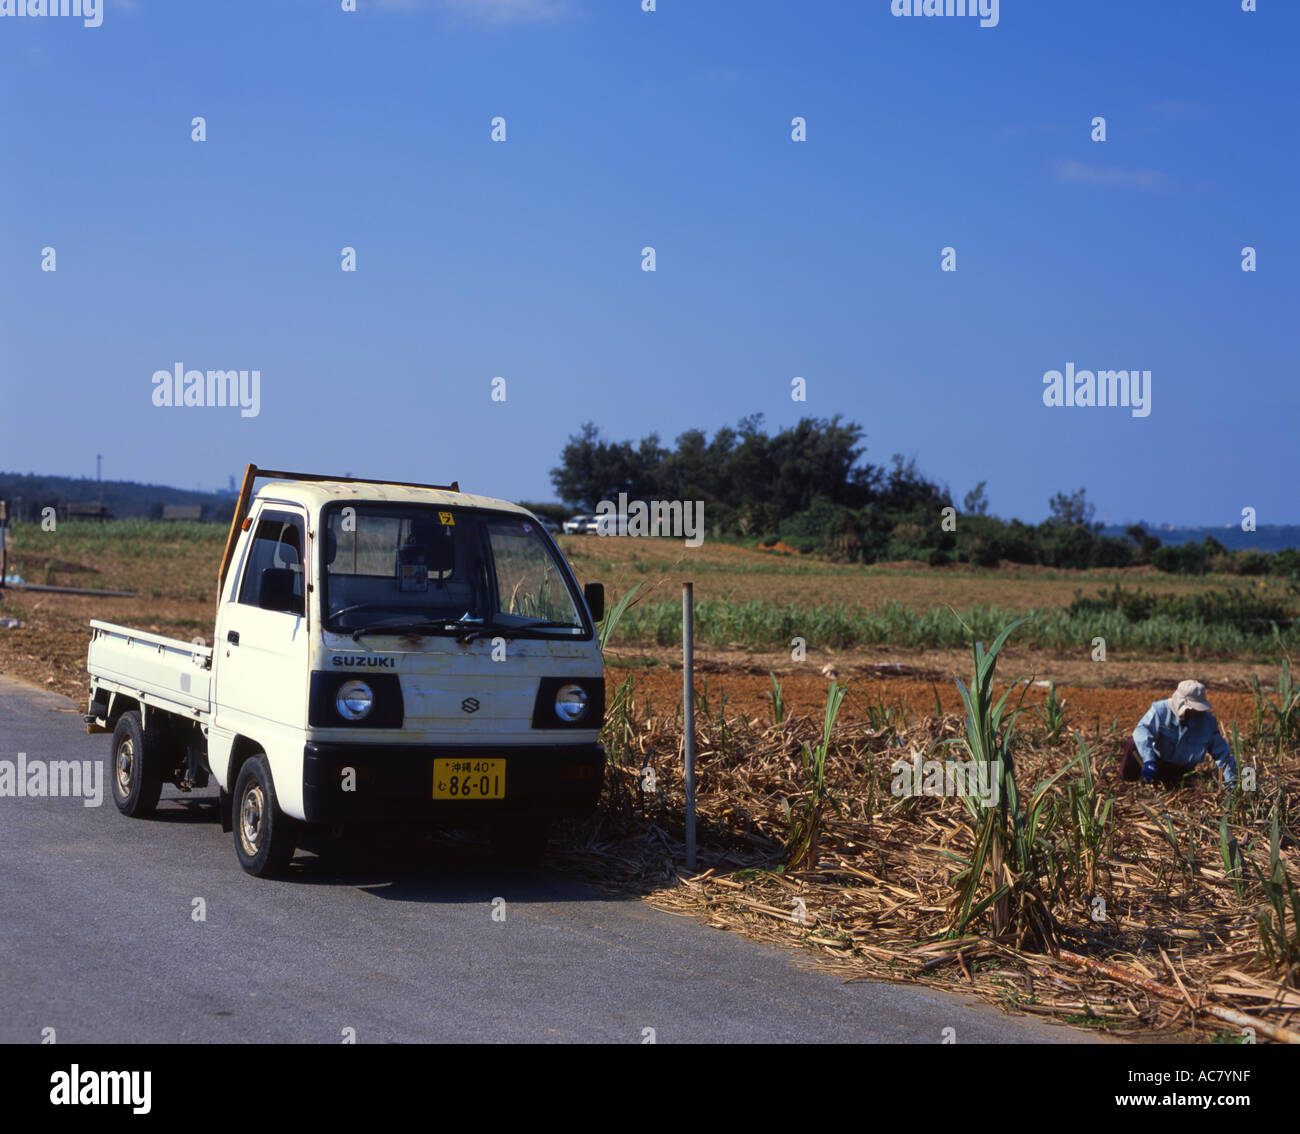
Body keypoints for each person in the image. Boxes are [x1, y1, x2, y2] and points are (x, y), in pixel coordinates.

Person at [1120, 680, 1237, 788]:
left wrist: (1231, 783)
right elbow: (1142, 732)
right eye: (1193, 708)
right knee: (1133, 742)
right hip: (1156, 763)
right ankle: (1125, 782)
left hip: (1182, 771)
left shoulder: (1208, 722)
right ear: (1181, 702)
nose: (1196, 711)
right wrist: (1148, 760)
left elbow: (1222, 754)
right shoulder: (1160, 710)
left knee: (1200, 793)